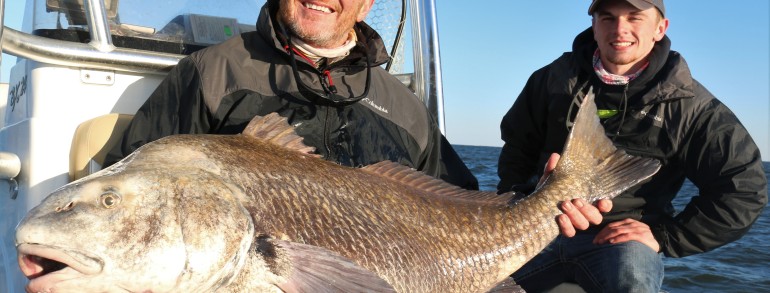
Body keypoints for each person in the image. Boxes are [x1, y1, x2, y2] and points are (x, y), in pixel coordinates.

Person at [497, 0, 768, 292]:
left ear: (660, 29)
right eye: (608, 18)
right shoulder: (552, 79)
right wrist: (517, 203)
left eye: (634, 18)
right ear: (594, 26)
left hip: (619, 240)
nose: (620, 29)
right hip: (535, 229)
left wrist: (665, 237)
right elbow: (517, 147)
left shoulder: (692, 107)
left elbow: (743, 188)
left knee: (632, 283)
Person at [105, 0, 481, 189]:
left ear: (367, 5)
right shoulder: (211, 73)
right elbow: (130, 186)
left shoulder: (407, 108)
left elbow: (459, 204)